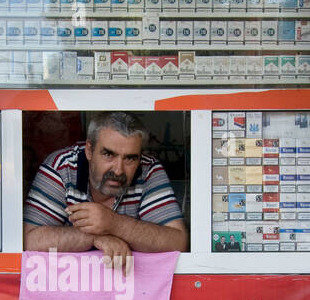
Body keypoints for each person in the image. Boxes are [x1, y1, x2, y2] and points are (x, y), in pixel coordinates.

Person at [23, 111, 188, 270]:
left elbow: (177, 242)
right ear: (89, 150)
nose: (118, 170)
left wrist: (113, 223)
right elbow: (30, 240)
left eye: (130, 158)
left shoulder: (148, 169)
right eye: (109, 155)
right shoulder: (61, 167)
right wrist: (96, 237)